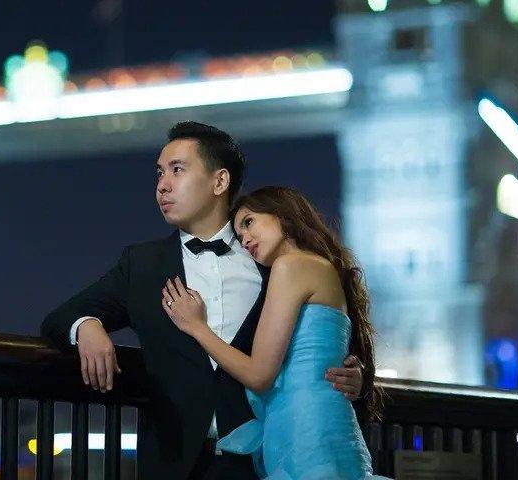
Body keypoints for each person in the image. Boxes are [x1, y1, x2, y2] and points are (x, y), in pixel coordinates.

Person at [41, 122, 366, 480]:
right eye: (160, 173)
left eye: (177, 170)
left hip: (262, 460)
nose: (161, 185)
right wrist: (87, 327)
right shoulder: (142, 266)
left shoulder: (270, 259)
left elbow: (325, 338)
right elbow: (61, 316)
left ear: (219, 181)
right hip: (173, 464)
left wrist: (356, 375)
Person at [162, 186, 386, 479]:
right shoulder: (319, 266)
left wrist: (197, 327)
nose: (245, 240)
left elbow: (259, 374)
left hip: (307, 428)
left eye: (249, 222)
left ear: (282, 213)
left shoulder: (291, 265)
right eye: (240, 236)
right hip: (318, 423)